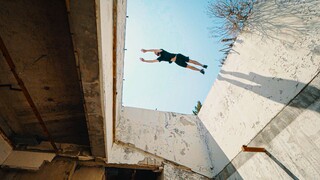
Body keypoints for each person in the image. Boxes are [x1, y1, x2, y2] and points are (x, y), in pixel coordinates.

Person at [140, 49, 208, 74]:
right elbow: (152, 61)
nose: (155, 51)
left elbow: (154, 49)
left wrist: (146, 51)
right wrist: (145, 61)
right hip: (177, 62)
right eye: (155, 52)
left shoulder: (162, 51)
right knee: (189, 67)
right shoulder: (160, 58)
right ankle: (200, 70)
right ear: (156, 54)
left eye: (155, 51)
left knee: (191, 61)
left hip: (178, 56)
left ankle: (202, 65)